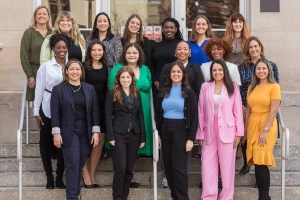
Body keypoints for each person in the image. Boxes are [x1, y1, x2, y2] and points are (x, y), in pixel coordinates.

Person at [51, 59, 100, 200]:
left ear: (81, 71)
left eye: (77, 69)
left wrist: (96, 132)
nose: (75, 72)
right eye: (71, 69)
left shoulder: (89, 89)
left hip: (85, 130)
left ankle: (74, 193)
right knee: (72, 164)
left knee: (78, 165)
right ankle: (72, 197)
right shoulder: (59, 89)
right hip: (68, 131)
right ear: (66, 71)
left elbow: (95, 112)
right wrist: (56, 133)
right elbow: (55, 113)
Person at [197, 59, 244, 200]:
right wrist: (200, 133)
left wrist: (239, 134)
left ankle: (226, 197)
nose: (217, 72)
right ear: (211, 72)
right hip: (209, 132)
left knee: (227, 168)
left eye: (220, 70)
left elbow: (237, 112)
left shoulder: (232, 87)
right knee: (207, 166)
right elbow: (201, 111)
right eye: (214, 70)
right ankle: (209, 196)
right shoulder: (205, 86)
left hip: (228, 132)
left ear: (224, 71)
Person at [155, 62, 198, 200]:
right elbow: (158, 114)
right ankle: (175, 197)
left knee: (178, 168)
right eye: (173, 72)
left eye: (179, 72)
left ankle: (182, 197)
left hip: (181, 130)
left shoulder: (189, 92)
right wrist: (159, 135)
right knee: (168, 166)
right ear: (169, 74)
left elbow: (194, 115)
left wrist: (191, 138)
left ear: (183, 74)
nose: (176, 74)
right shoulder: (163, 91)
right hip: (165, 129)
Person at [34, 32, 71, 189]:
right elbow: (39, 89)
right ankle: (49, 177)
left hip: (66, 108)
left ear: (67, 48)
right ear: (53, 49)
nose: (61, 50)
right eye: (58, 47)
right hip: (47, 106)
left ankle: (59, 178)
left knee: (64, 143)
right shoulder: (46, 67)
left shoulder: (72, 65)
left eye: (64, 47)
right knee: (45, 141)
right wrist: (36, 111)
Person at [238, 36, 279, 175]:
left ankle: (260, 174)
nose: (254, 49)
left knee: (261, 149)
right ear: (247, 51)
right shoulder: (242, 67)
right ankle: (246, 162)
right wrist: (242, 106)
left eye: (256, 46)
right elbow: (239, 87)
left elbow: (275, 85)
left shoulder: (271, 65)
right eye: (250, 47)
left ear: (260, 48)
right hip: (246, 105)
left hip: (265, 107)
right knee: (246, 135)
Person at [105, 66, 145, 200]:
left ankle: (124, 196)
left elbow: (140, 115)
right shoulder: (112, 93)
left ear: (132, 78)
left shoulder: (136, 93)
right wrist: (110, 135)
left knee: (128, 169)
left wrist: (142, 136)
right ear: (118, 79)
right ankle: (117, 197)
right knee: (120, 169)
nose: (126, 79)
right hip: (118, 134)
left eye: (128, 77)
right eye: (123, 77)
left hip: (134, 134)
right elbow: (108, 114)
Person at [245, 58, 281, 200]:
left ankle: (265, 197)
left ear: (269, 70)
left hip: (267, 125)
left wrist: (265, 130)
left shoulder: (274, 86)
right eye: (258, 69)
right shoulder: (251, 87)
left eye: (264, 68)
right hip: (253, 124)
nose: (261, 71)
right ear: (255, 71)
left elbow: (274, 110)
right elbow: (248, 110)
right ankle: (262, 196)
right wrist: (245, 129)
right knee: (257, 161)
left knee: (261, 160)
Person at [108, 43, 152, 157]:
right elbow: (114, 90)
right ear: (124, 54)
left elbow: (150, 88)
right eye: (129, 52)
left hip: (144, 109)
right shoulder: (118, 69)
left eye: (135, 53)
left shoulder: (145, 69)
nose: (132, 55)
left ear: (139, 54)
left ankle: (142, 150)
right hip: (124, 111)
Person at [82, 40, 109, 188]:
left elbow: (106, 88)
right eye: (94, 50)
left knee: (99, 140)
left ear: (103, 52)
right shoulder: (84, 67)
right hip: (85, 108)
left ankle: (92, 173)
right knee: (84, 140)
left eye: (100, 50)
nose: (97, 53)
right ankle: (85, 173)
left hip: (101, 107)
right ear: (89, 52)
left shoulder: (105, 68)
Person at [20, 5, 52, 101]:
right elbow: (24, 55)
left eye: (44, 14)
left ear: (48, 16)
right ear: (35, 16)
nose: (41, 16)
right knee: (37, 102)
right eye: (39, 14)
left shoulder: (53, 33)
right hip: (35, 71)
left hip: (50, 72)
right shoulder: (29, 32)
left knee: (50, 100)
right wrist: (30, 75)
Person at [150, 17, 184, 106]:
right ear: (162, 29)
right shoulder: (155, 46)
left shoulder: (181, 46)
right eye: (166, 27)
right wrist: (156, 82)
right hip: (157, 86)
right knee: (158, 113)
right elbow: (151, 66)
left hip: (176, 84)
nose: (169, 30)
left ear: (176, 29)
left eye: (172, 27)